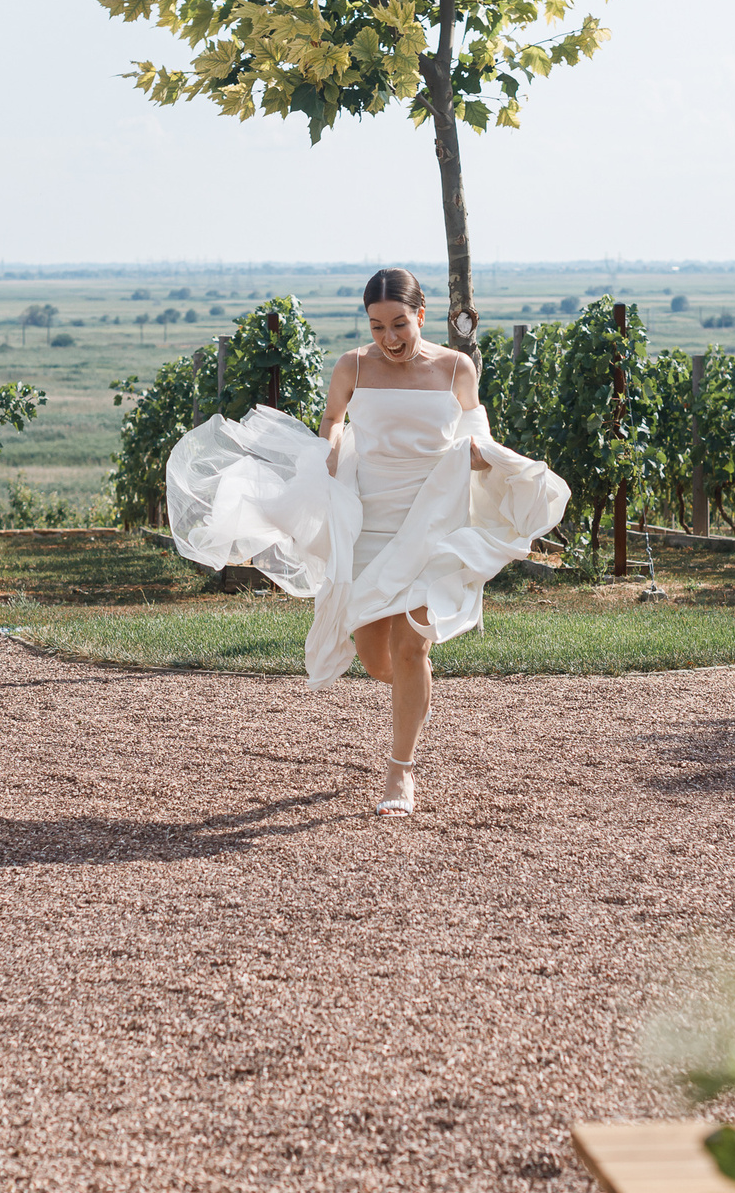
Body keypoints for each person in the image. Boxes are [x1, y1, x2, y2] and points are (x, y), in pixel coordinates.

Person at [166, 269, 570, 816]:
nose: (390, 338)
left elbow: (478, 433)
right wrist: (327, 452)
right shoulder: (353, 365)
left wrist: (481, 456)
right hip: (367, 519)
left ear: (420, 316)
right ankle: (411, 690)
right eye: (378, 327)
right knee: (376, 656)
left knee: (412, 645)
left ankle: (400, 773)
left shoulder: (456, 366)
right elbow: (332, 420)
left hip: (432, 516)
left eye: (399, 324)